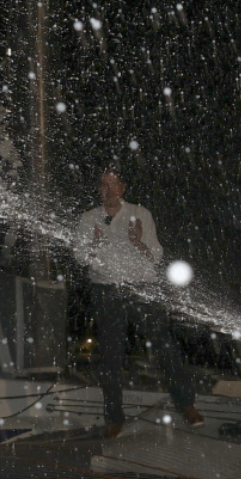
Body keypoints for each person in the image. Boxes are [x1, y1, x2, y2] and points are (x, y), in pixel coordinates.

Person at [77, 166, 204, 438]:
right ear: (99, 189)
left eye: (114, 185)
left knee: (164, 345)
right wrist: (96, 245)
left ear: (123, 188)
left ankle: (187, 405)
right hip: (106, 290)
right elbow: (80, 258)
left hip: (141, 288)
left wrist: (137, 242)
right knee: (111, 355)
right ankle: (114, 417)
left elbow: (156, 257)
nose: (109, 190)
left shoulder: (140, 213)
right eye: (104, 185)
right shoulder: (89, 219)